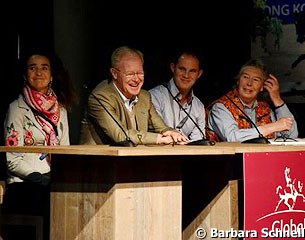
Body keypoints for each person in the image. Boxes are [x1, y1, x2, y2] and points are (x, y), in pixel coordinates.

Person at [3, 49, 76, 239]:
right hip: (25, 182)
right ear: (25, 75)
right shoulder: (16, 108)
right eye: (32, 68)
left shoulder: (61, 108)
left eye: (44, 68)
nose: (39, 73)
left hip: (52, 178)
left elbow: (65, 149)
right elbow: (13, 159)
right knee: (49, 198)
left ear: (51, 75)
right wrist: (40, 177)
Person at [79, 46, 189, 145]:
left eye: (140, 73)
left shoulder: (144, 97)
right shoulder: (100, 97)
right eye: (130, 74)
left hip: (133, 162)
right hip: (99, 163)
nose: (136, 79)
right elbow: (121, 136)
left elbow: (161, 128)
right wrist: (159, 139)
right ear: (114, 73)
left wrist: (172, 133)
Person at [207, 58, 298, 142]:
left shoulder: (265, 108)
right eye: (245, 77)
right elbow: (232, 137)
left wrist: (277, 100)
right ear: (238, 81)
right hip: (232, 159)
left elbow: (291, 135)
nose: (249, 83)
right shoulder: (221, 106)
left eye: (255, 80)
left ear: (262, 87)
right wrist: (273, 127)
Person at [149, 50, 205, 142]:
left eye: (192, 71)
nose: (186, 75)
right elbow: (157, 134)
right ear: (173, 68)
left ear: (199, 74)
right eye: (182, 69)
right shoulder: (154, 96)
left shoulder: (199, 106)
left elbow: (198, 142)